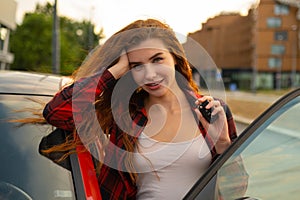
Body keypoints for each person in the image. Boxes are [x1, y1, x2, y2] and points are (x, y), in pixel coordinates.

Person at [42, 18, 240, 199]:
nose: (150, 75)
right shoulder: (124, 113)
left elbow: (236, 189)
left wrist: (223, 144)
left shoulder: (212, 110)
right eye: (137, 66)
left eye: (157, 60)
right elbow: (56, 112)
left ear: (176, 57)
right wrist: (113, 72)